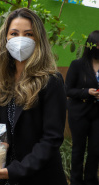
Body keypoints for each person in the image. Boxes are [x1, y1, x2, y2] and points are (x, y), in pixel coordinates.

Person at [0, 8, 68, 185]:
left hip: (39, 177)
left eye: (28, 34)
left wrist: (16, 171)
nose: (20, 39)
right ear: (6, 38)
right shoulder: (3, 79)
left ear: (38, 39)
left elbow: (52, 138)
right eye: (14, 33)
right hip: (5, 175)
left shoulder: (51, 80)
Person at [65, 30, 99, 185]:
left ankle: (91, 180)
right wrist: (87, 92)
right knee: (78, 149)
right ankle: (76, 181)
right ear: (92, 46)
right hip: (79, 113)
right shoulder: (77, 65)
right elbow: (68, 90)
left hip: (97, 114)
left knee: (95, 149)